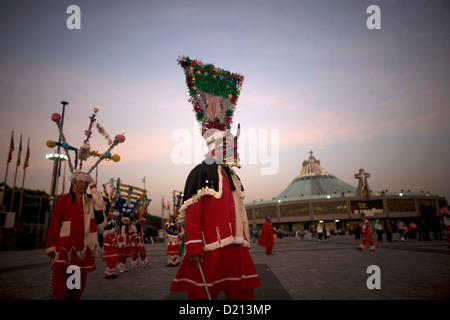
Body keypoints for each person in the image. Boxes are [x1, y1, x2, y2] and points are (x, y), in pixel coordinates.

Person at [45, 171, 105, 300]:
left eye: (85, 182)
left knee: (75, 286)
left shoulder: (90, 201)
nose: (83, 185)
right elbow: (55, 223)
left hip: (81, 249)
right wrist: (51, 246)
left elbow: (100, 204)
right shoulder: (64, 200)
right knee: (60, 286)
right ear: (74, 183)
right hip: (65, 249)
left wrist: (93, 185)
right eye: (80, 181)